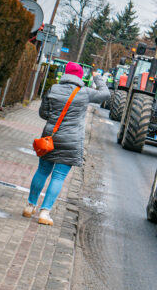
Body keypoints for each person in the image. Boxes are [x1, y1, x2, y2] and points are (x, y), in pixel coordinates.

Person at [24, 62, 109, 225]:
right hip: (71, 141)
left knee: (42, 171)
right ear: (80, 76)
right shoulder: (85, 92)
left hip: (50, 138)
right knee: (59, 176)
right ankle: (44, 213)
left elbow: (43, 114)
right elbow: (105, 94)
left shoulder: (53, 89)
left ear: (65, 73)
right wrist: (98, 78)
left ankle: (29, 206)